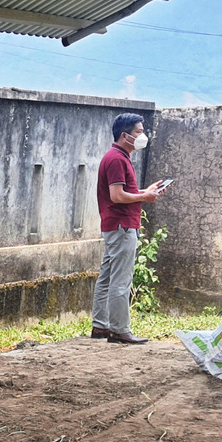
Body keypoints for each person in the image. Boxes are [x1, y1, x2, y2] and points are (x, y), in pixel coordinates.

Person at [91, 113, 168, 344]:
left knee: (106, 277)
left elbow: (123, 193)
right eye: (139, 131)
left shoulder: (116, 157)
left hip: (115, 225)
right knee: (121, 280)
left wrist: (145, 191)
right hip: (122, 226)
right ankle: (119, 330)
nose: (143, 135)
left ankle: (101, 326)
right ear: (125, 135)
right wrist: (144, 196)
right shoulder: (117, 159)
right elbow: (117, 196)